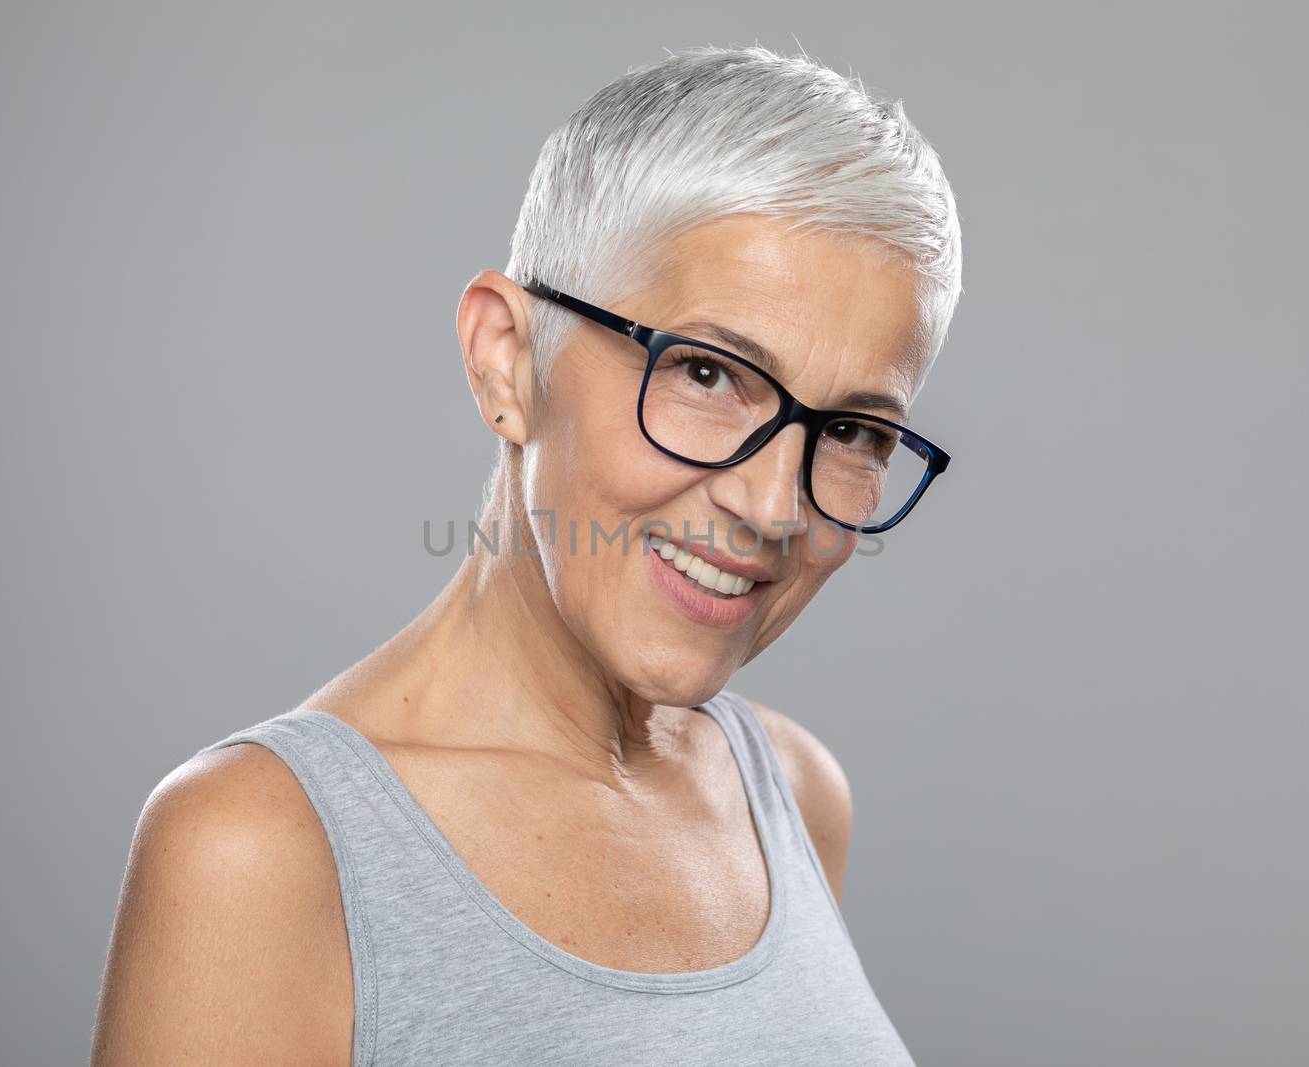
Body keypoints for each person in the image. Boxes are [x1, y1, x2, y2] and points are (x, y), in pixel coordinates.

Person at [92, 43, 961, 1065]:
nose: (773, 505)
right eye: (707, 372)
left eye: (853, 431)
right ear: (505, 358)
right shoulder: (261, 850)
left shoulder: (791, 793)